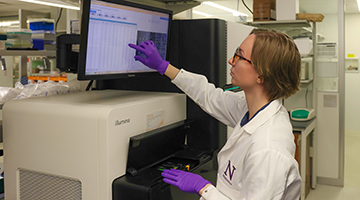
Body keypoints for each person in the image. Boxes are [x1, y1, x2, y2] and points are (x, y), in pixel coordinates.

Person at [128, 28, 302, 200]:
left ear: (262, 75)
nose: (230, 61)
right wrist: (164, 66)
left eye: (239, 56)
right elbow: (209, 95)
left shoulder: (267, 149)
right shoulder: (251, 110)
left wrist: (204, 188)